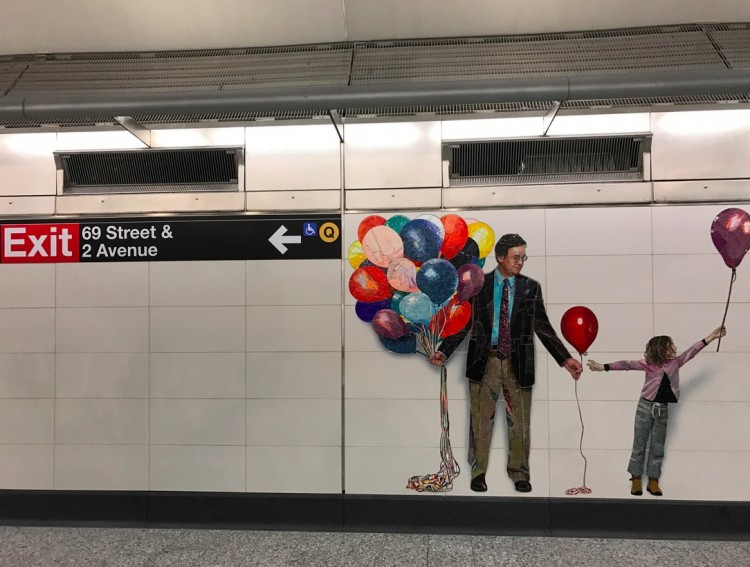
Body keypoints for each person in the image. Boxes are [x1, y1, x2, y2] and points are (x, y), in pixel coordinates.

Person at [430, 233, 582, 493]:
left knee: (520, 423)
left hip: (518, 361)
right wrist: (444, 351)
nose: (520, 262)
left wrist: (564, 358)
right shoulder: (480, 285)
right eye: (516, 257)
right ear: (500, 257)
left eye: (523, 257)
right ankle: (478, 473)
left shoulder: (530, 288)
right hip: (484, 359)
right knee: (480, 421)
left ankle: (520, 473)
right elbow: (464, 322)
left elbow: (542, 326)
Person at [587, 326, 726, 497]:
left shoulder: (676, 362)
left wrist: (711, 337)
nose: (674, 348)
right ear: (661, 349)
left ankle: (653, 480)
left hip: (662, 409)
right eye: (670, 346)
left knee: (657, 445)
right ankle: (636, 478)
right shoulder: (649, 364)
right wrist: (603, 367)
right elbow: (626, 364)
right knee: (639, 442)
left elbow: (692, 351)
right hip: (645, 407)